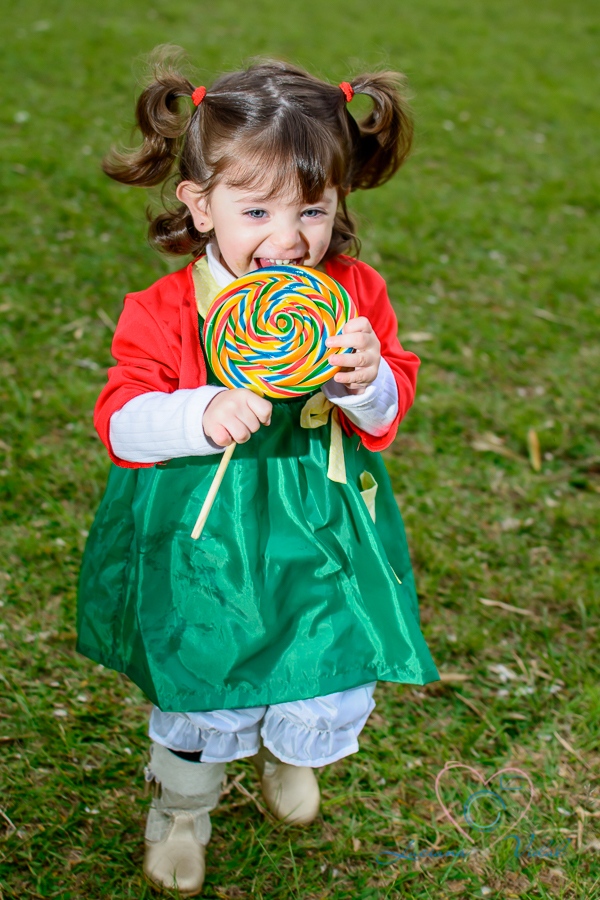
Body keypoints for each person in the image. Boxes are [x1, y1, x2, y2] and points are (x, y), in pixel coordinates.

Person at [77, 52, 439, 897]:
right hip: (208, 534)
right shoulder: (166, 310)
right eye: (256, 210)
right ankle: (182, 808)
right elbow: (121, 420)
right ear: (199, 207)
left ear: (340, 201)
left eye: (312, 210)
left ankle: (288, 751)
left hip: (320, 522)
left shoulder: (353, 295)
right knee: (206, 673)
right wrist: (196, 413)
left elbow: (387, 416)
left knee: (320, 655)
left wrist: (369, 377)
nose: (288, 240)